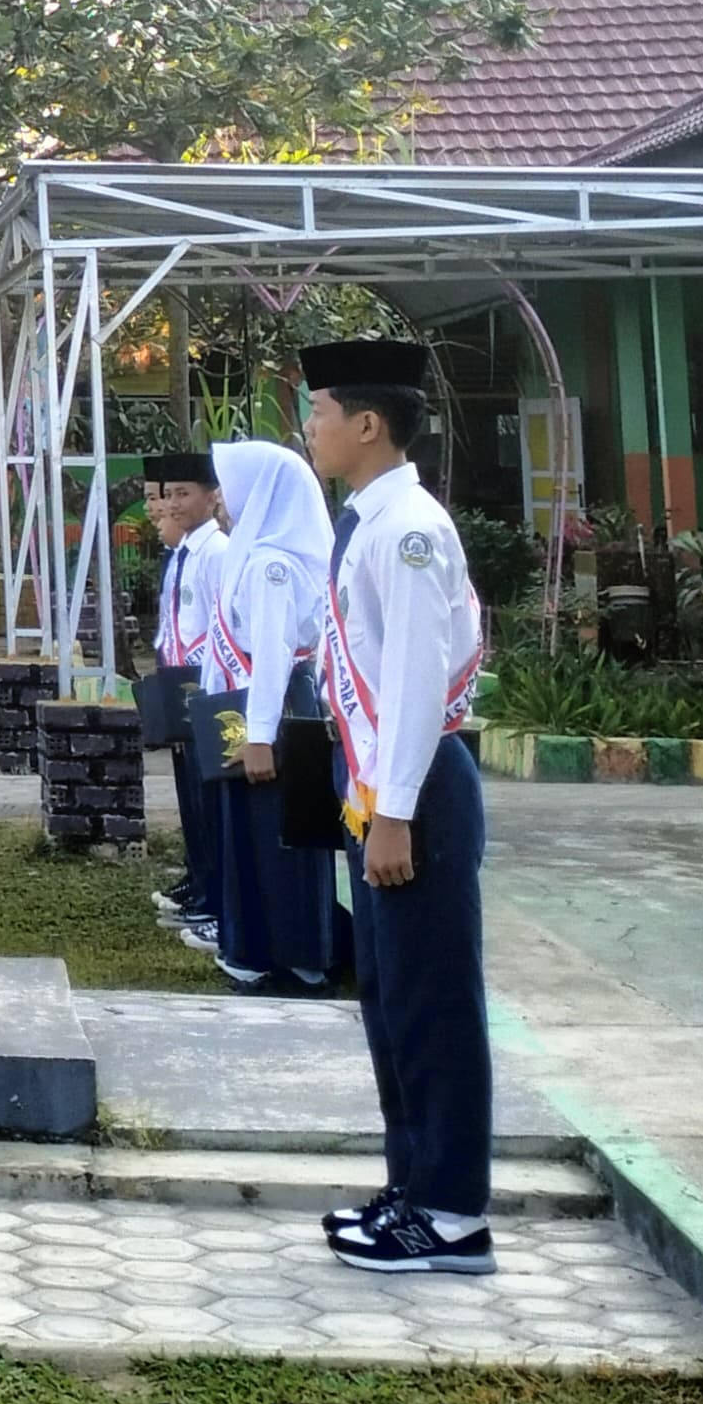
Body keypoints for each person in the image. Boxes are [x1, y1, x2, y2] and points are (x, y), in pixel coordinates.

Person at [303, 335, 496, 1278]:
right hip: (383, 786)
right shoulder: (369, 521)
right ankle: (412, 1189)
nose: (310, 429)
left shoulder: (409, 529)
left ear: (368, 424)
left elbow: (418, 679)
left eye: (319, 413)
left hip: (416, 791)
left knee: (434, 1004)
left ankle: (453, 1214)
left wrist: (396, 813)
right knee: (390, 1001)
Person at [214, 436, 350, 998]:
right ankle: (261, 953)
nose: (221, 498)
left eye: (230, 486)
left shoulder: (271, 565)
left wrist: (260, 736)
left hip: (272, 710)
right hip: (266, 706)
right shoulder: (262, 555)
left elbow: (272, 656)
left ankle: (298, 962)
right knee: (257, 836)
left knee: (282, 839)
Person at [135, 451, 227, 944]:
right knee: (192, 802)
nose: (170, 505)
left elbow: (220, 629)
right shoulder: (187, 552)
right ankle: (202, 884)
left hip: (204, 690)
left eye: (182, 494)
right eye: (166, 495)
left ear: (212, 498)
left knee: (210, 806)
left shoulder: (215, 553)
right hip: (182, 689)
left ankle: (215, 897)